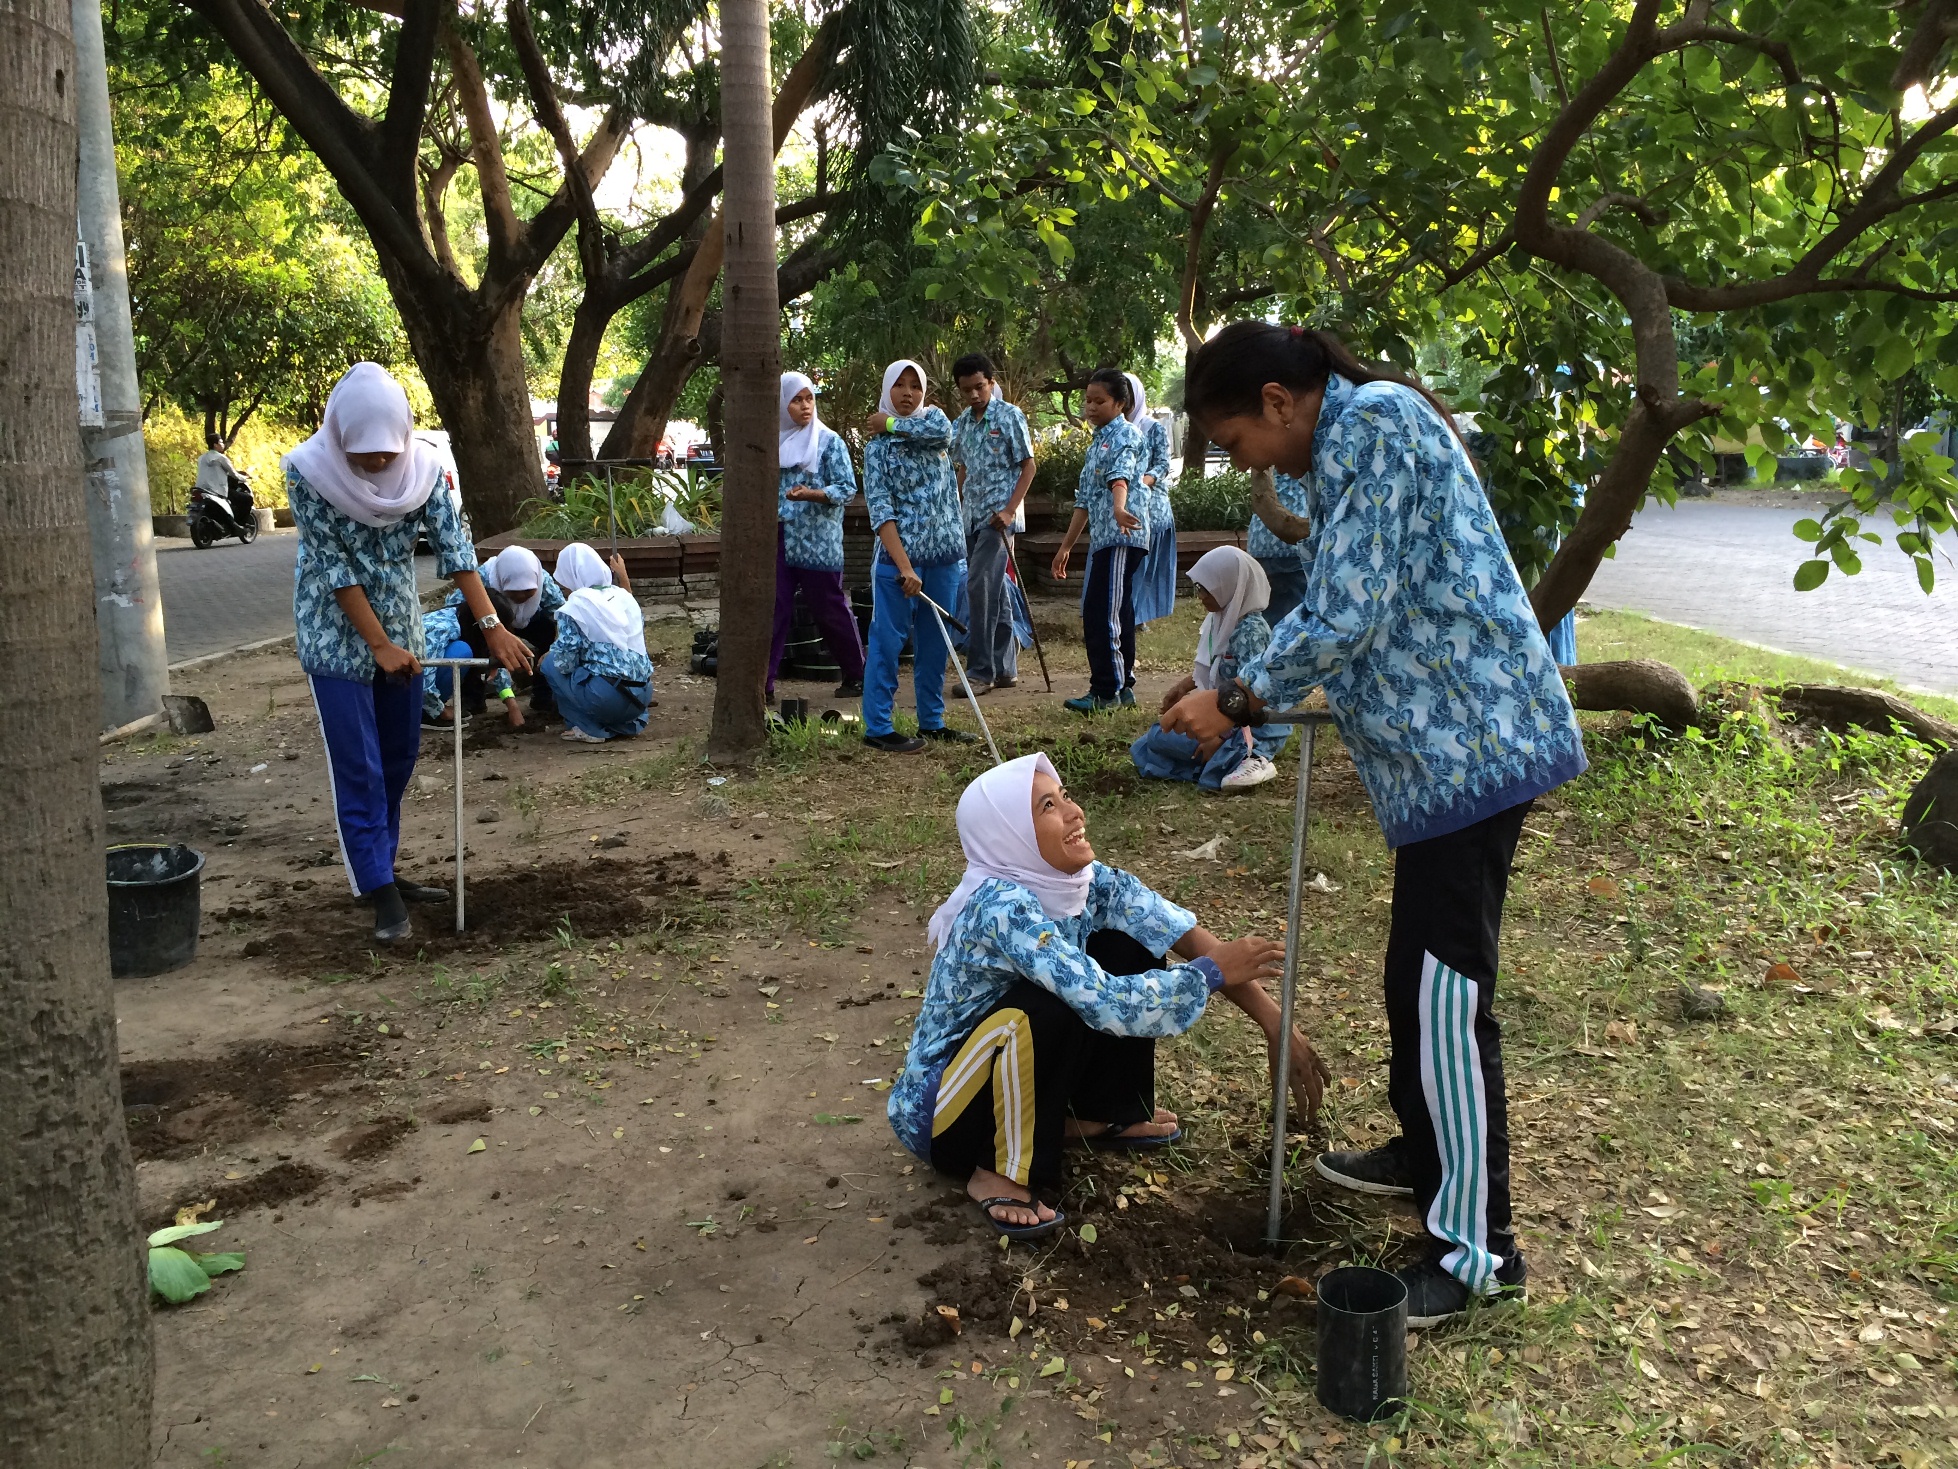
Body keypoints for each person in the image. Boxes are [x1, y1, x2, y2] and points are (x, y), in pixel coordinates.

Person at [1160, 321, 1588, 1326]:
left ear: (1276, 398)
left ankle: (1478, 1250)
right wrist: (1233, 681)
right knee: (1415, 979)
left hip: (1474, 748)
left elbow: (1346, 610)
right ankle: (1425, 1154)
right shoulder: (1350, 442)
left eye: (1237, 438)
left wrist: (1233, 697)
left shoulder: (1375, 425)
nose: (1247, 462)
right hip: (1440, 761)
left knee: (1444, 998)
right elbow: (1360, 602)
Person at [889, 754, 1330, 1237]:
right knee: (1047, 1007)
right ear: (1007, 835)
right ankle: (998, 1169)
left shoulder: (1082, 883)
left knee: (1131, 940)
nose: (1074, 812)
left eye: (1066, 796)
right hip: (946, 1115)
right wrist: (1206, 975)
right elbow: (1105, 1002)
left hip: (1002, 1077)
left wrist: (1275, 1023)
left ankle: (1100, 1113)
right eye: (1047, 807)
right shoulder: (1002, 906)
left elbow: (1174, 929)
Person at [286, 362, 535, 944]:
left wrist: (492, 625)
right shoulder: (308, 473)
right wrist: (375, 644)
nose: (375, 463)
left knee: (398, 760)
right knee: (360, 767)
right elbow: (333, 566)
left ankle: (384, 869)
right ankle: (376, 886)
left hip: (402, 630)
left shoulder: (426, 470)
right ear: (340, 435)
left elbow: (456, 549)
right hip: (336, 633)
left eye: (385, 450)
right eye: (362, 452)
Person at [860, 360, 975, 753]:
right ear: (886, 390)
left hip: (944, 557)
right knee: (888, 642)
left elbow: (943, 431)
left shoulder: (933, 425)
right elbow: (881, 511)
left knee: (935, 642)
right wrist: (905, 566)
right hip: (899, 564)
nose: (908, 394)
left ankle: (932, 721)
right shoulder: (877, 450)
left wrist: (889, 423)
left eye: (915, 386)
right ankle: (877, 725)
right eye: (899, 386)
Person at [1130, 547, 1290, 791]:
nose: (1201, 596)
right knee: (1153, 737)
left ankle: (1249, 756)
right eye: (1198, 588)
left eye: (1206, 588)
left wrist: (1216, 735)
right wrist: (1183, 687)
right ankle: (1215, 761)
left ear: (1229, 586)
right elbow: (1218, 666)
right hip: (1229, 716)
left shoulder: (1250, 630)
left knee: (1157, 738)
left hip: (1251, 724)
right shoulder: (1223, 619)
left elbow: (1253, 690)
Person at [1052, 369, 1148, 713]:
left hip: (1123, 534)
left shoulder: (1125, 435)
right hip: (1106, 539)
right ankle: (1120, 688)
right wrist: (1066, 547)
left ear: (1120, 404)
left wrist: (1120, 508)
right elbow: (1085, 502)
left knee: (1102, 613)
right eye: (1087, 400)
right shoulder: (1098, 440)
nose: (1090, 407)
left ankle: (1107, 691)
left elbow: (1118, 476)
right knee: (1113, 611)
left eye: (1099, 401)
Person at [771, 372, 867, 700]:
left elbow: (846, 488)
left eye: (809, 398)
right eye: (796, 400)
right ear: (783, 405)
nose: (805, 406)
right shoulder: (771, 441)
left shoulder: (828, 442)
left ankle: (857, 674)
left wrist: (811, 494)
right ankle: (764, 685)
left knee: (828, 607)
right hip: (781, 537)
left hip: (818, 540)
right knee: (775, 607)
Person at [950, 353, 1036, 694]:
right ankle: (1004, 668)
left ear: (992, 382)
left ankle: (980, 671)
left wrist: (1010, 511)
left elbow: (1028, 466)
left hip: (999, 519)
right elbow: (960, 467)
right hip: (970, 517)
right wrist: (954, 504)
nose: (974, 395)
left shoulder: (1010, 415)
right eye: (967, 389)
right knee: (996, 589)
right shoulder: (962, 423)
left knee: (978, 585)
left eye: (980, 387)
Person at [541, 543, 652, 743]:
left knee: (550, 663)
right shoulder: (624, 598)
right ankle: (622, 724)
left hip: (607, 698)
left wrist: (551, 654)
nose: (564, 587)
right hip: (641, 697)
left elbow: (564, 661)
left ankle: (586, 727)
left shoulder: (575, 606)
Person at [457, 544, 563, 712]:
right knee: (470, 639)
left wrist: (556, 646)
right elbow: (457, 609)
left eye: (528, 590)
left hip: (529, 619)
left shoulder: (543, 580)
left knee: (549, 629)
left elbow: (560, 612)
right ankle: (473, 697)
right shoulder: (483, 577)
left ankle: (543, 695)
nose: (521, 596)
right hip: (490, 622)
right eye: (513, 591)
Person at [421, 588, 525, 729]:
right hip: (403, 685)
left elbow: (497, 665)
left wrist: (512, 706)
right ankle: (425, 713)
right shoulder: (441, 629)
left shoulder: (465, 622)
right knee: (461, 652)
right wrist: (440, 710)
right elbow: (423, 674)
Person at [1125, 374, 1178, 627]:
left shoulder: (1152, 427)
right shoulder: (1109, 429)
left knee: (1143, 565)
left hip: (1151, 507)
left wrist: (1140, 483)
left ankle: (1137, 616)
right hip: (1121, 502)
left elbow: (1162, 464)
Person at [1248, 470, 1312, 623]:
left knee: (1264, 616)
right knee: (1297, 622)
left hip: (1261, 540)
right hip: (1296, 542)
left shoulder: (1261, 450)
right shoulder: (1311, 449)